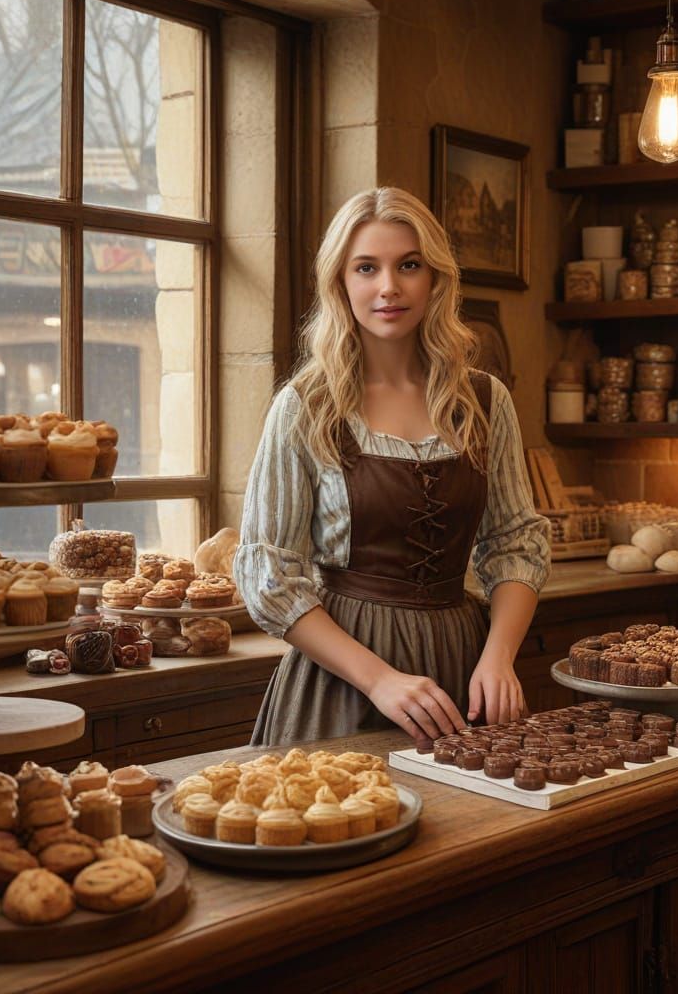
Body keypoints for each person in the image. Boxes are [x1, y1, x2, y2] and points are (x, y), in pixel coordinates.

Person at [233, 186, 552, 746]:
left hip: (463, 668)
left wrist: (499, 656)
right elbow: (270, 578)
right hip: (345, 679)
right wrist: (379, 680)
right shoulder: (306, 406)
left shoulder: (485, 400)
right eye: (366, 268)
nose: (389, 287)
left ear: (435, 278)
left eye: (409, 265)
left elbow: (515, 543)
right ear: (340, 282)